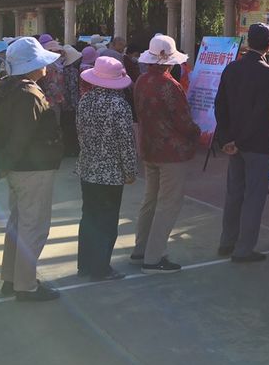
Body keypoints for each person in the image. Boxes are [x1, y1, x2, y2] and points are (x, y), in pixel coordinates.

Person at [0, 37, 64, 301]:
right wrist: (7, 163)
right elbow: (21, 136)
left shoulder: (6, 87)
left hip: (20, 168)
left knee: (18, 223)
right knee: (33, 226)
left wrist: (5, 165)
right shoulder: (29, 93)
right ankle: (26, 285)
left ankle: (12, 277)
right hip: (33, 167)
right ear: (32, 65)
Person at [132, 35, 201, 274]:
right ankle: (154, 258)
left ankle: (141, 249)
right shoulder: (170, 85)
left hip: (149, 148)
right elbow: (183, 121)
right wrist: (198, 132)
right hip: (171, 152)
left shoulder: (141, 81)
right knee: (168, 204)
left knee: (150, 200)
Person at [214, 23, 269, 263]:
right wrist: (239, 140)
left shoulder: (232, 68)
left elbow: (220, 105)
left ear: (248, 42)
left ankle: (227, 242)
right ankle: (243, 249)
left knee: (234, 193)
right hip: (256, 144)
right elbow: (261, 113)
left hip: (234, 143)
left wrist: (227, 139)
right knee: (254, 197)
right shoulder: (268, 73)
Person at [76, 57, 137, 281]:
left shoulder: (85, 100)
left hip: (88, 167)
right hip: (111, 173)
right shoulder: (119, 105)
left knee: (89, 217)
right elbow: (126, 142)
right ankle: (100, 268)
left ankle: (85, 264)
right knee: (107, 221)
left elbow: (80, 132)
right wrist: (130, 170)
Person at [61, 44, 83, 156]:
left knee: (65, 127)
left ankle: (67, 149)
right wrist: (76, 105)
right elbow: (73, 89)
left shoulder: (62, 69)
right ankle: (73, 150)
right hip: (71, 105)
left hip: (64, 104)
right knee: (72, 128)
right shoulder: (73, 71)